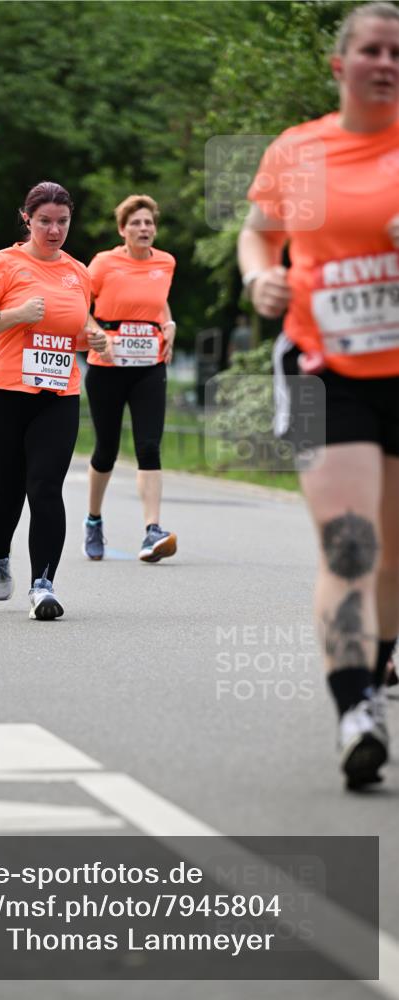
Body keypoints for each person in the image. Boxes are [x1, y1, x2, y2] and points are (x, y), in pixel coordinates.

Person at [238, 1, 399, 789]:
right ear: (341, 66)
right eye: (371, 49)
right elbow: (258, 230)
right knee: (349, 547)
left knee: (393, 557)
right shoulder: (298, 150)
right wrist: (257, 276)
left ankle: (376, 669)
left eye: (397, 52)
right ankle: (355, 710)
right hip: (316, 368)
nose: (386, 62)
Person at [0, 181, 107, 621]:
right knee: (8, 493)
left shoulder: (79, 273)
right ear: (26, 219)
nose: (54, 230)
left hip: (57, 394)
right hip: (4, 394)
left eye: (62, 221)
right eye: (44, 221)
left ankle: (43, 585)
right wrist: (16, 315)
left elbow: (74, 330)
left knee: (45, 488)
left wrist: (93, 337)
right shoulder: (5, 264)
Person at [82, 194, 178, 562]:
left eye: (149, 223)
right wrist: (97, 334)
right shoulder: (104, 263)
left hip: (150, 365)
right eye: (136, 223)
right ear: (123, 229)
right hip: (107, 366)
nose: (144, 229)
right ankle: (93, 520)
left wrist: (169, 325)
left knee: (149, 446)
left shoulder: (166, 262)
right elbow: (80, 305)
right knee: (106, 449)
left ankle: (152, 530)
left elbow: (159, 302)